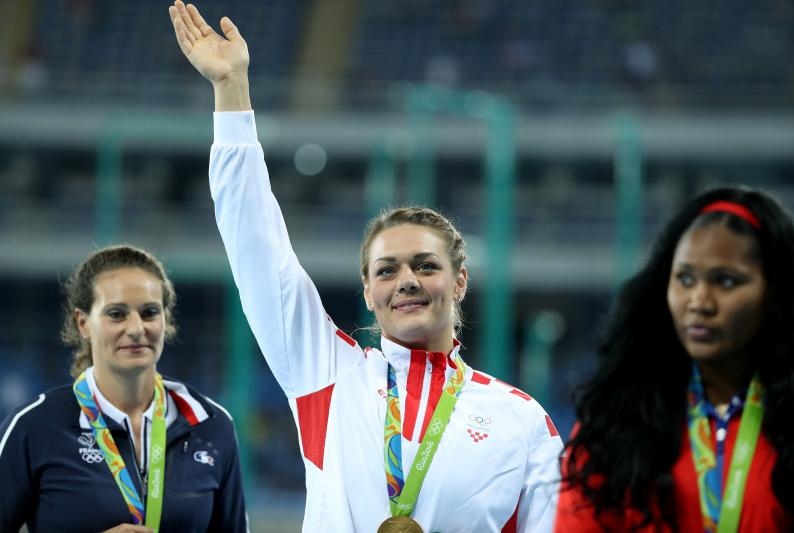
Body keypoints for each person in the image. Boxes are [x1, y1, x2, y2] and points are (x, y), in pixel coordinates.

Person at [168, 1, 562, 531]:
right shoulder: (327, 374)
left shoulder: (523, 421)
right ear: (368, 291)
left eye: (426, 266)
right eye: (387, 270)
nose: (407, 281)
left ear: (460, 281)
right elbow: (256, 245)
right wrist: (231, 90)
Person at [556, 186, 794, 531]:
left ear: (775, 292)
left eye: (726, 281)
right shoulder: (615, 420)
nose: (700, 302)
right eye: (685, 278)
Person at [0, 244, 249, 532]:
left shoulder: (210, 425)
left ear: (165, 320)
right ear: (83, 323)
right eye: (117, 314)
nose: (136, 328)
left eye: (149, 312)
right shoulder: (34, 427)